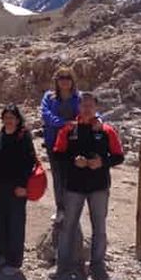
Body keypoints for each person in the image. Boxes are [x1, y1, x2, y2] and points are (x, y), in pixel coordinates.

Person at [56, 92, 124, 280]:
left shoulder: (106, 130)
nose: (87, 109)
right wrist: (73, 161)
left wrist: (102, 162)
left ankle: (97, 266)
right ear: (78, 107)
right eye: (83, 105)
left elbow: (119, 156)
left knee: (99, 227)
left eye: (90, 105)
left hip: (98, 186)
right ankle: (63, 265)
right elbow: (58, 153)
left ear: (96, 108)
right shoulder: (69, 129)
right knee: (68, 225)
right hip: (74, 186)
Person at [0, 104, 37, 276]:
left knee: (15, 223)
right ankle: (2, 255)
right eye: (6, 117)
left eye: (12, 117)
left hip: (16, 188)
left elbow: (29, 161)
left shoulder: (24, 136)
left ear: (17, 119)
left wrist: (23, 185)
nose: (9, 120)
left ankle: (14, 261)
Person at [40, 67, 81, 224]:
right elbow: (46, 115)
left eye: (68, 77)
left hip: (74, 143)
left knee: (73, 176)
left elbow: (87, 111)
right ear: (56, 81)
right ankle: (60, 208)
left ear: (72, 80)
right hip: (54, 142)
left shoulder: (79, 98)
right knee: (58, 176)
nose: (64, 80)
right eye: (61, 77)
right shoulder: (49, 97)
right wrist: (65, 123)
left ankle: (73, 210)